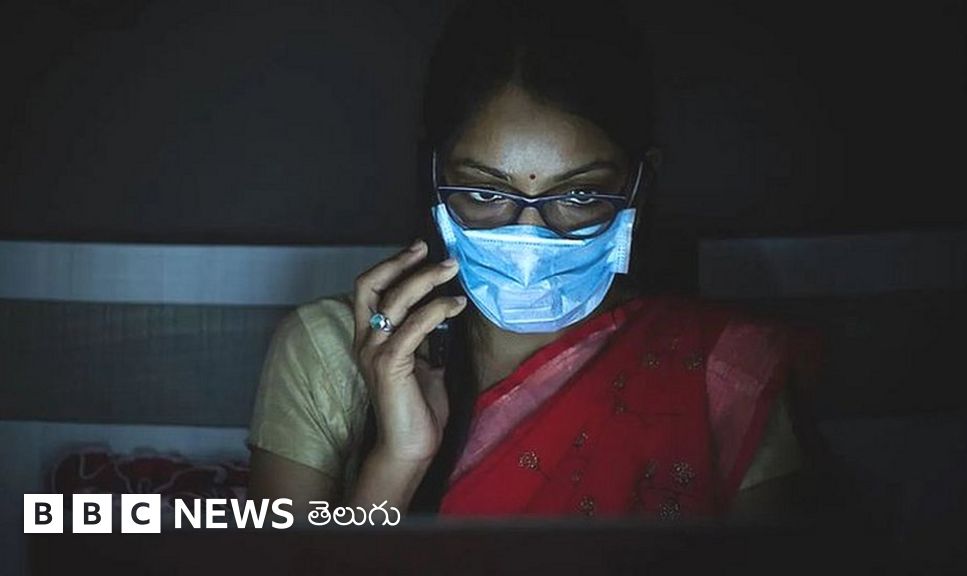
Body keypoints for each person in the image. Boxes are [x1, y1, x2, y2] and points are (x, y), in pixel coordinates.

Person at [246, 0, 815, 520]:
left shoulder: (723, 373)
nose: (529, 238)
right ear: (434, 176)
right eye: (485, 193)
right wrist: (399, 461)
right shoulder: (327, 352)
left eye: (580, 195)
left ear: (639, 187)